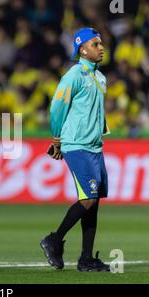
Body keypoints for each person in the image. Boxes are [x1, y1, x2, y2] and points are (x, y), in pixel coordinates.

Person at [40, 27, 110, 272]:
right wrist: (57, 138)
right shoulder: (75, 74)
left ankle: (86, 259)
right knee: (88, 199)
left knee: (94, 202)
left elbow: (96, 113)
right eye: (96, 44)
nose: (101, 48)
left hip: (94, 147)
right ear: (83, 49)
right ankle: (54, 240)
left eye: (101, 44)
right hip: (76, 145)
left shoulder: (100, 78)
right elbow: (57, 106)